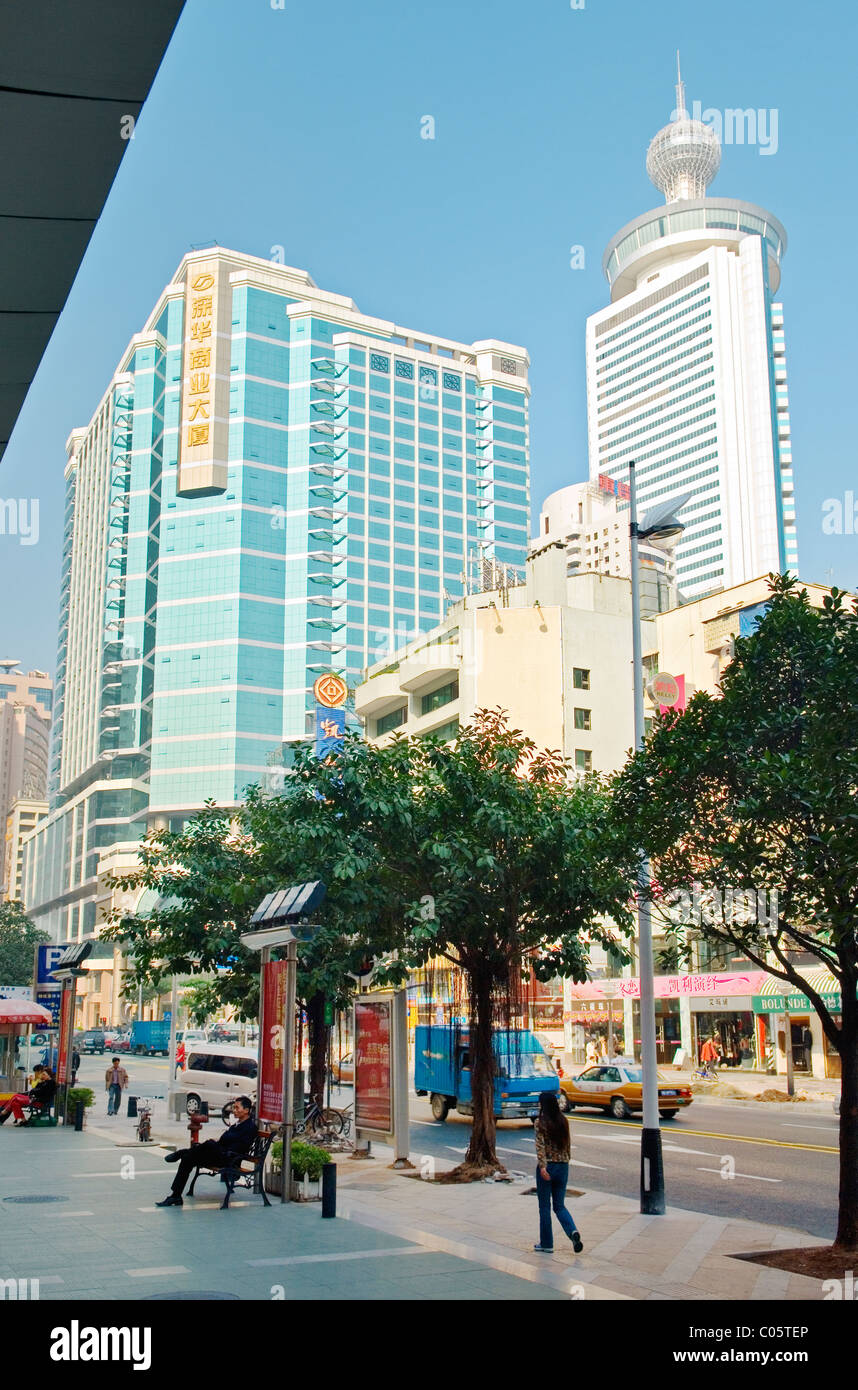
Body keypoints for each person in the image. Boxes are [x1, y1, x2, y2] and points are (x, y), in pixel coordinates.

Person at [156, 1096, 257, 1207]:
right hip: (220, 1155)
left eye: (237, 1108)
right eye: (234, 1107)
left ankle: (181, 1152)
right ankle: (176, 1196)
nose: (234, 1110)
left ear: (246, 1110)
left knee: (209, 1144)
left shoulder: (250, 1127)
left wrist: (221, 1146)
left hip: (230, 1159)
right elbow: (225, 1139)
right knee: (188, 1159)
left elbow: (240, 1148)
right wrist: (220, 1145)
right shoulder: (236, 1124)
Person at [532, 1090, 583, 1254]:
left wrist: (542, 1167)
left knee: (545, 1207)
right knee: (560, 1206)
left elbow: (540, 1147)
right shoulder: (563, 1121)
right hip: (563, 1166)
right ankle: (572, 1231)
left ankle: (546, 1243)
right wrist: (566, 1160)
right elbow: (567, 1144)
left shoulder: (541, 1122)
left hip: (549, 1166)